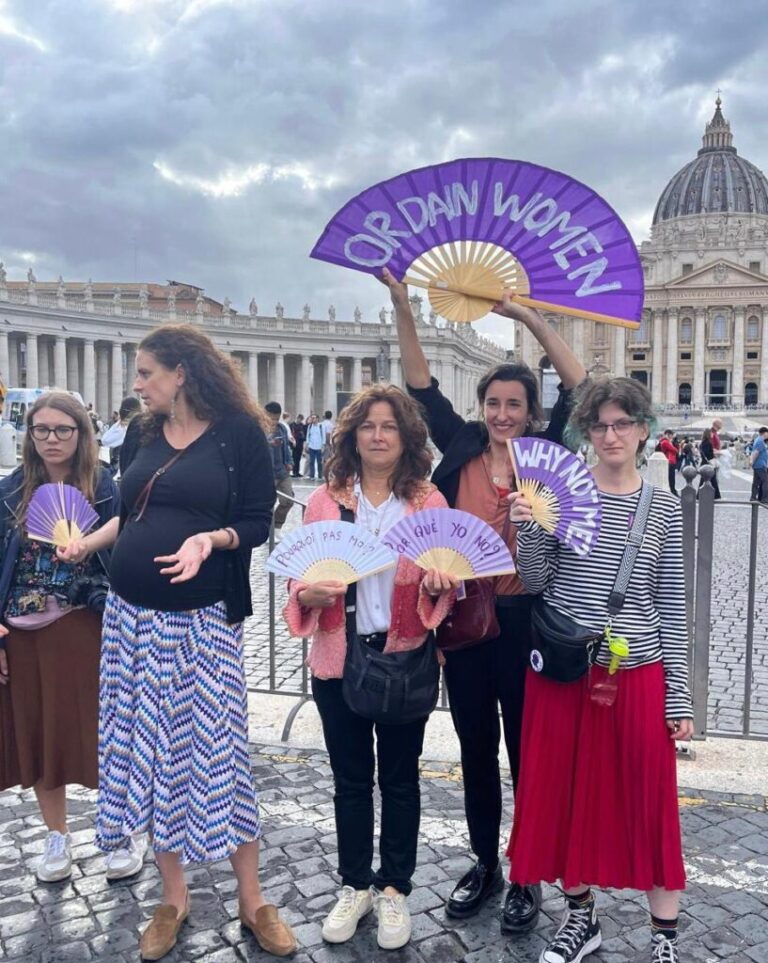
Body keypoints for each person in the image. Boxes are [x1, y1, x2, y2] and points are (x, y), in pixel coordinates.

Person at [59, 325, 295, 960]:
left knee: (217, 751)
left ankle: (253, 898)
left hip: (202, 619)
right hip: (130, 620)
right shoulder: (140, 431)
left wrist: (205, 541)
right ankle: (173, 897)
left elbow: (254, 522)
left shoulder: (241, 433)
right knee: (151, 754)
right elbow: (128, 508)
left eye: (146, 373)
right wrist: (90, 542)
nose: (137, 384)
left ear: (182, 372)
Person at [382, 268, 586, 933]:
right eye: (494, 403)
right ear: (482, 407)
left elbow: (581, 389)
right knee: (474, 744)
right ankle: (484, 861)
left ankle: (526, 867)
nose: (503, 414)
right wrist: (399, 304)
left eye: (515, 405)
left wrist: (527, 318)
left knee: (529, 753)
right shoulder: (462, 444)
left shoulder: (547, 452)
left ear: (531, 413)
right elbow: (420, 384)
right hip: (467, 618)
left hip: (527, 617)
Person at [507, 377, 693, 963]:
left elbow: (671, 603)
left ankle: (664, 937)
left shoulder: (663, 506)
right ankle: (581, 917)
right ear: (585, 432)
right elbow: (536, 583)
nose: (610, 435)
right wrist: (530, 526)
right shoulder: (562, 495)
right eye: (599, 425)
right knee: (563, 797)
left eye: (622, 424)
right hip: (564, 671)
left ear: (643, 430)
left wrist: (679, 698)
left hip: (635, 670)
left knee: (648, 797)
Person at [282, 384, 458, 951]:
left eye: (389, 426)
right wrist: (305, 595)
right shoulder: (325, 500)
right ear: (352, 436)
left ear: (407, 437)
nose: (378, 436)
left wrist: (439, 586)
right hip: (339, 654)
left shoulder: (428, 501)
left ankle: (395, 889)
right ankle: (355, 883)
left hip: (405, 654)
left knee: (402, 781)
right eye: (367, 426)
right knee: (351, 781)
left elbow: (446, 581)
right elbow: (298, 574)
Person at [0, 392, 146, 884]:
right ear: (30, 435)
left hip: (88, 624)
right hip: (22, 631)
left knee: (103, 732)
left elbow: (132, 550)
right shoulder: (8, 491)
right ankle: (56, 835)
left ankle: (121, 830)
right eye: (41, 430)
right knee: (40, 736)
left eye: (63, 430)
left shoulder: (109, 490)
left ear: (83, 433)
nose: (51, 439)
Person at [264, 401, 295, 532]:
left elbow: (286, 447)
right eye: (272, 418)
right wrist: (270, 441)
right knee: (266, 505)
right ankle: (267, 531)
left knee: (288, 500)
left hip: (282, 471)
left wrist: (289, 461)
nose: (274, 421)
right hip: (267, 474)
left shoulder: (281, 428)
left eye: (277, 418)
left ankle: (276, 527)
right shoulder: (258, 428)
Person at [100, 396, 142, 475]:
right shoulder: (144, 425)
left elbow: (105, 440)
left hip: (124, 470)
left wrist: (119, 422)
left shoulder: (123, 428)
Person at [699, 428, 722, 499]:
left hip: (704, 463)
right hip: (708, 463)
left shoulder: (702, 443)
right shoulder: (708, 443)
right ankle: (716, 495)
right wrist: (714, 454)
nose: (712, 434)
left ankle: (699, 494)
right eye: (711, 433)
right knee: (712, 479)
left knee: (704, 479)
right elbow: (708, 454)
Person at [750, 426, 768, 503]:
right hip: (761, 465)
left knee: (756, 482)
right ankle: (764, 498)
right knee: (766, 481)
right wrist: (752, 461)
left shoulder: (758, 440)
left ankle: (753, 497)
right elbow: (756, 452)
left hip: (757, 465)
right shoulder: (760, 441)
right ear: (765, 433)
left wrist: (752, 462)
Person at [658, 429, 678, 496]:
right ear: (668, 435)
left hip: (670, 461)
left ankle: (672, 491)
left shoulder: (665, 442)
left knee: (670, 478)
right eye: (671, 435)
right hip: (670, 461)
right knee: (671, 478)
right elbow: (675, 450)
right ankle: (673, 492)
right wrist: (671, 443)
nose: (672, 437)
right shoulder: (665, 442)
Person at [305, 413, 325, 480]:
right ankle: (312, 475)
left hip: (319, 446)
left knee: (319, 462)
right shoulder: (310, 426)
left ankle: (320, 475)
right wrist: (307, 444)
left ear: (317, 419)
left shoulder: (321, 426)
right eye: (312, 418)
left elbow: (323, 436)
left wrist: (323, 446)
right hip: (311, 446)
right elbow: (308, 436)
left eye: (314, 418)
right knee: (311, 461)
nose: (313, 419)